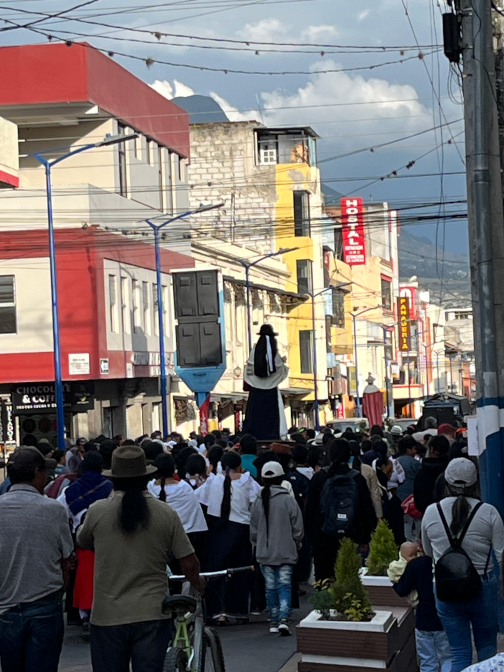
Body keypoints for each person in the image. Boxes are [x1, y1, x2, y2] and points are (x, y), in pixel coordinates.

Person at [76, 445, 205, 672]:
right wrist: (198, 584)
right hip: (151, 613)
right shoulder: (165, 513)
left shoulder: (97, 511)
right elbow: (188, 561)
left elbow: (83, 541)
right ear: (146, 478)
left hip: (107, 615)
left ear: (114, 480)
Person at [422, 458, 504, 672]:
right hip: (484, 587)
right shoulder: (489, 512)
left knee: (458, 652)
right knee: (486, 649)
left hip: (445, 588)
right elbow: (502, 556)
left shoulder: (432, 512)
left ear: (446, 482)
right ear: (475, 482)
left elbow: (429, 553)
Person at [0, 447, 74, 672]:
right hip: (45, 604)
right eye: (45, 472)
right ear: (36, 473)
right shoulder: (53, 509)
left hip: (5, 609)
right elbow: (67, 559)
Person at [198, 451, 261, 621]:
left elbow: (199, 498)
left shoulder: (213, 480)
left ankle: (217, 611)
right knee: (239, 571)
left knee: (216, 571)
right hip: (241, 530)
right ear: (239, 465)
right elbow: (256, 502)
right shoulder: (247, 481)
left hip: (217, 528)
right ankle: (238, 610)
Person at [57, 451, 113, 632]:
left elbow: (60, 513)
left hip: (82, 541)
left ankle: (82, 614)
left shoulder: (70, 490)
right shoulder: (110, 486)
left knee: (83, 576)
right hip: (108, 539)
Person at [305, 438, 376, 581]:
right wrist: (365, 538)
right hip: (351, 536)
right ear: (349, 454)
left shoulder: (320, 478)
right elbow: (367, 511)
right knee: (348, 578)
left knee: (324, 580)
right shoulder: (357, 478)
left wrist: (313, 538)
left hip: (324, 537)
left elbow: (310, 511)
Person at [250, 461, 304, 637]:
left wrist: (256, 544)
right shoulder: (288, 500)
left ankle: (273, 620)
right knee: (285, 585)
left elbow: (253, 528)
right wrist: (297, 542)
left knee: (270, 586)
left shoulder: (258, 500)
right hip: (286, 550)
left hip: (264, 552)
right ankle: (283, 619)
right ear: (281, 478)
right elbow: (298, 527)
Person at [391, 541, 452, 672]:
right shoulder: (448, 561)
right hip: (444, 618)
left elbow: (402, 589)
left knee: (427, 660)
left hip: (423, 619)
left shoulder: (416, 564)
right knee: (448, 657)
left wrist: (394, 582)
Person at [148, 453, 208, 565]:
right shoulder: (184, 488)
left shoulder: (149, 488)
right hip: (187, 540)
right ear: (173, 469)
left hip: (157, 542)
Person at [243, 324, 289, 440]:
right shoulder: (275, 356)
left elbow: (247, 374)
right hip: (271, 393)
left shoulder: (253, 354)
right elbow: (281, 372)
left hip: (255, 393)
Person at [413, 435, 450, 515]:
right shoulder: (451, 470)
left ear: (432, 449)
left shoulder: (422, 472)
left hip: (428, 515)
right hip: (449, 515)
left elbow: (418, 503)